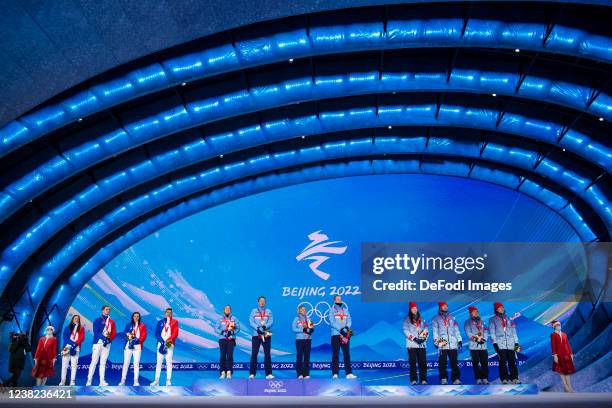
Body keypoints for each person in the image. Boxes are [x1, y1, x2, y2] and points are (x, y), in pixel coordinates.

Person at [488, 302, 520, 384]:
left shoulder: (509, 318)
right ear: (496, 309)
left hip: (511, 344)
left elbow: (514, 331)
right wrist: (495, 344)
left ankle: (514, 378)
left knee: (512, 361)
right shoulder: (492, 319)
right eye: (500, 307)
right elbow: (492, 333)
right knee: (502, 362)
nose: (502, 309)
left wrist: (516, 343)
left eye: (502, 307)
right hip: (500, 344)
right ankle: (504, 379)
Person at [432, 301, 462, 385]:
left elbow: (456, 330)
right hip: (442, 342)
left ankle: (456, 379)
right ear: (440, 307)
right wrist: (435, 341)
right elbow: (435, 332)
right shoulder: (436, 318)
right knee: (442, 362)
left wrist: (459, 340)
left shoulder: (452, 317)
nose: (446, 307)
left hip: (453, 343)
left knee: (454, 362)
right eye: (444, 306)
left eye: (446, 306)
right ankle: (443, 378)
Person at [86, 305, 116, 386]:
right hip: (98, 343)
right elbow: (96, 331)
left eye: (109, 309)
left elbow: (114, 333)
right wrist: (104, 338)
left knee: (103, 363)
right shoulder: (97, 320)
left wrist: (109, 340)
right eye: (106, 309)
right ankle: (89, 380)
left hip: (107, 344)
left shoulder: (112, 321)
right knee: (94, 361)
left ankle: (102, 381)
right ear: (102, 310)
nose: (108, 311)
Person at [330, 295, 356, 379]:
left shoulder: (345, 310)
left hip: (345, 335)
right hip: (336, 335)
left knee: (346, 354)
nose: (339, 300)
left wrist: (346, 328)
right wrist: (340, 329)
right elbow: (332, 322)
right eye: (337, 299)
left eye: (340, 299)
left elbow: (349, 320)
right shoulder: (332, 310)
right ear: (334, 301)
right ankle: (335, 373)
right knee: (336, 354)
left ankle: (348, 373)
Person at [151, 307, 179, 386]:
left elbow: (175, 333)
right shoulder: (160, 322)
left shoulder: (175, 322)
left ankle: (168, 381)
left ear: (172, 314)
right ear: (165, 313)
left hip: (169, 344)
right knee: (158, 363)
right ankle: (156, 380)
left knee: (169, 362)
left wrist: (167, 343)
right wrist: (161, 341)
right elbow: (157, 333)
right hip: (160, 343)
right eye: (167, 312)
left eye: (170, 312)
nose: (169, 314)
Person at [249, 296, 274, 379]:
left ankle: (268, 374)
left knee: (267, 354)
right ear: (258, 302)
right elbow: (251, 321)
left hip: (266, 334)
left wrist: (265, 327)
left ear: (265, 302)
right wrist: (257, 328)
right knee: (254, 354)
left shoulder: (268, 311)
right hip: (256, 335)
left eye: (264, 301)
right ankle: (252, 373)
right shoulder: (254, 311)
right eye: (261, 301)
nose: (262, 302)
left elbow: (271, 321)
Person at [403, 301, 428, 385]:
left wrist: (423, 339)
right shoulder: (407, 319)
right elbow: (405, 330)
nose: (414, 310)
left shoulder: (422, 318)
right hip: (411, 344)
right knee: (413, 363)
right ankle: (413, 380)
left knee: (423, 363)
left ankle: (423, 379)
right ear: (410, 310)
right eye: (413, 309)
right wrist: (414, 339)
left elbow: (426, 329)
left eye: (415, 308)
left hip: (421, 344)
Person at [119, 312, 147, 386]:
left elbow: (144, 336)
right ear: (132, 317)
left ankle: (136, 381)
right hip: (128, 345)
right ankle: (123, 380)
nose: (136, 317)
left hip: (137, 346)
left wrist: (137, 340)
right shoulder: (128, 324)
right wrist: (128, 335)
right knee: (126, 363)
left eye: (138, 316)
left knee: (136, 364)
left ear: (139, 317)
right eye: (135, 316)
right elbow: (125, 332)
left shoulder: (142, 325)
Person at [464, 306, 489, 384]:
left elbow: (485, 331)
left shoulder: (482, 321)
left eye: (477, 311)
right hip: (474, 346)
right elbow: (468, 333)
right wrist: (477, 339)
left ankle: (485, 378)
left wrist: (484, 339)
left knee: (484, 362)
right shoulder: (467, 322)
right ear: (471, 313)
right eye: (474, 312)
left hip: (483, 345)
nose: (476, 313)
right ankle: (478, 378)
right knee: (476, 363)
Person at [59, 315, 85, 386]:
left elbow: (81, 338)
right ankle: (62, 381)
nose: (76, 320)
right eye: (75, 318)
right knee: (64, 365)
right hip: (66, 348)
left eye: (78, 319)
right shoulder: (67, 328)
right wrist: (72, 344)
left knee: (74, 365)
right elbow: (65, 337)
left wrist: (75, 345)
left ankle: (72, 381)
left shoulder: (81, 328)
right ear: (72, 319)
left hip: (76, 348)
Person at [216, 305, 240, 379]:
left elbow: (238, 328)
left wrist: (232, 332)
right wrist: (222, 332)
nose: (227, 310)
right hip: (222, 339)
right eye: (226, 308)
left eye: (229, 308)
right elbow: (216, 328)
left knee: (229, 356)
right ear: (224, 310)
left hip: (231, 339)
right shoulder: (220, 318)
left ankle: (229, 372)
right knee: (222, 356)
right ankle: (222, 372)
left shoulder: (234, 318)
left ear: (230, 310)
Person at [550, 320, 575, 392]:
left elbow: (567, 344)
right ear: (554, 327)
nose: (559, 327)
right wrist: (555, 355)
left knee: (567, 371)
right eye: (557, 326)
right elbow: (553, 345)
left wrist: (571, 353)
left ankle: (569, 386)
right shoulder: (553, 335)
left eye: (559, 325)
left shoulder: (564, 334)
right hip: (559, 355)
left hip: (566, 354)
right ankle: (565, 386)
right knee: (561, 371)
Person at [292, 305, 314, 379]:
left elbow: (312, 328)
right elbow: (293, 328)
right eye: (302, 310)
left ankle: (306, 373)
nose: (303, 311)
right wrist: (302, 330)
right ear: (299, 311)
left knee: (307, 357)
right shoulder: (296, 319)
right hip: (300, 340)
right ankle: (299, 374)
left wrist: (311, 330)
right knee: (299, 356)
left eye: (304, 309)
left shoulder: (309, 319)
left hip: (308, 339)